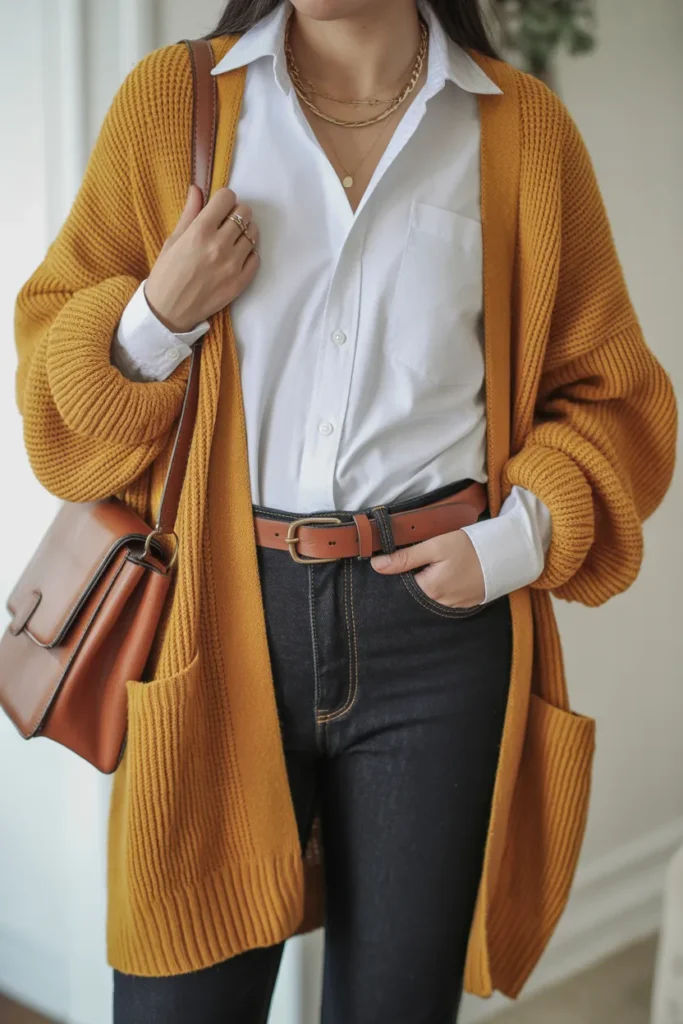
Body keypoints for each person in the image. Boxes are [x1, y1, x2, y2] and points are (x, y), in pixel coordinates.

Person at [13, 0, 677, 1022]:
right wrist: (157, 317)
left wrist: (510, 544)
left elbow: (613, 399)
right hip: (218, 617)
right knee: (173, 1001)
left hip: (439, 633)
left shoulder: (520, 131)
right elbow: (54, 379)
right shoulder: (176, 101)